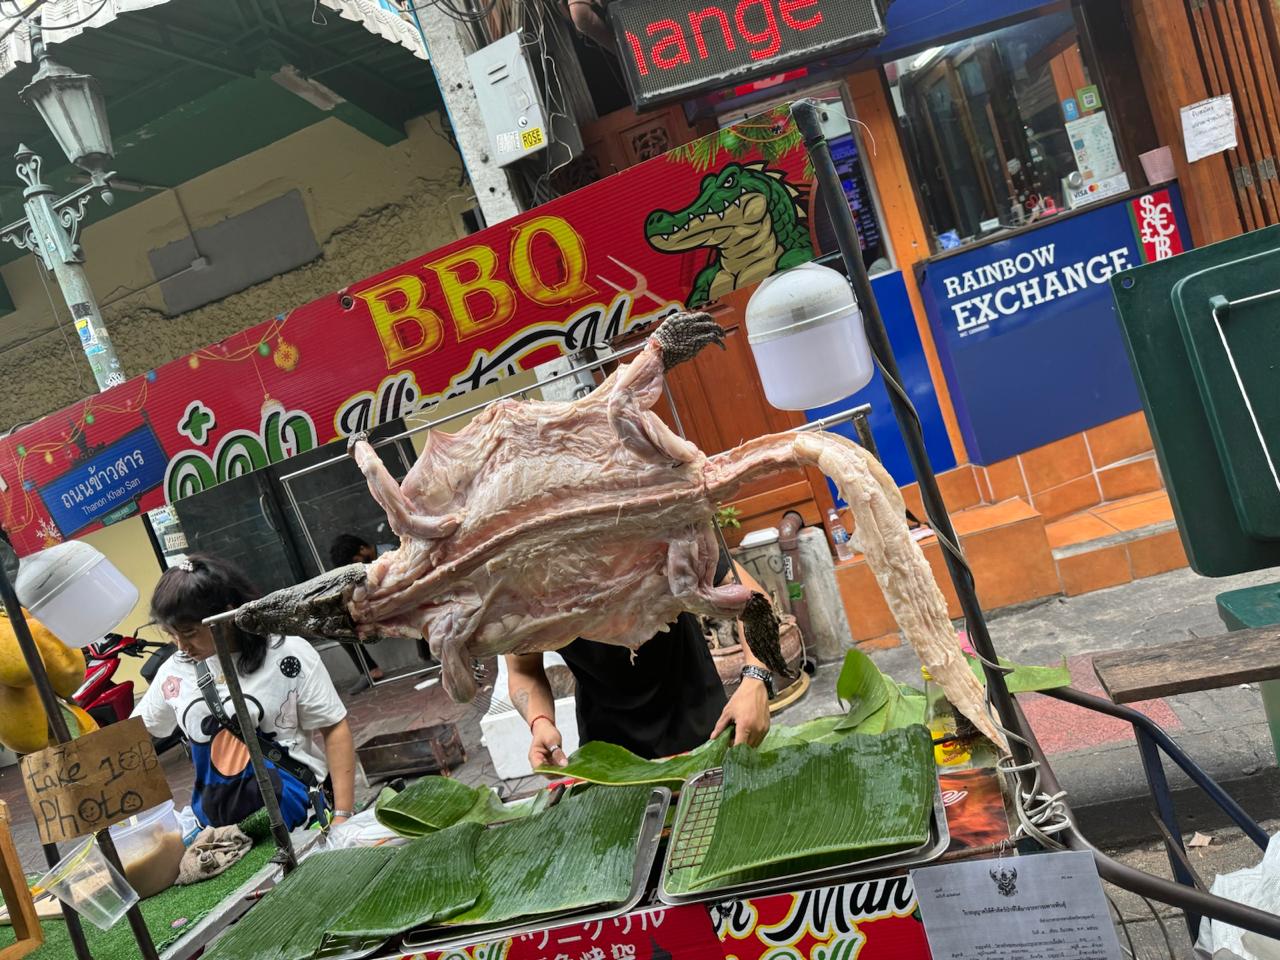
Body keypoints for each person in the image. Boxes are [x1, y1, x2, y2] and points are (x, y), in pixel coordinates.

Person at [133, 555, 356, 829]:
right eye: (171, 634)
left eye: (189, 632)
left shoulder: (287, 653)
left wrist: (343, 816)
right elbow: (135, 737)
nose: (181, 646)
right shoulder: (174, 671)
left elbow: (334, 728)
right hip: (221, 832)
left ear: (225, 615)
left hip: (299, 816)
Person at [506, 549, 776, 767]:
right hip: (609, 757)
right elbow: (523, 669)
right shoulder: (528, 580)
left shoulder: (651, 537)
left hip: (704, 728)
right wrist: (540, 721)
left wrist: (756, 678)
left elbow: (753, 600)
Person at [327, 534, 384, 684]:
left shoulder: (388, 554)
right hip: (373, 608)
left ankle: (425, 657)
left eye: (355, 561)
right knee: (336, 624)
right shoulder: (361, 569)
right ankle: (370, 670)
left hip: (396, 603)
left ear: (363, 549)